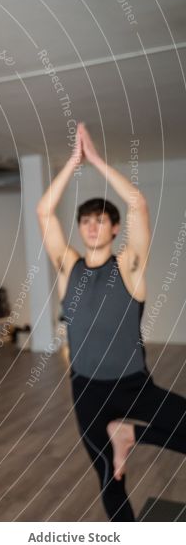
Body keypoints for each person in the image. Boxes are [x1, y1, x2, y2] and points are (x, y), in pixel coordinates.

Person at [37, 123, 186, 521]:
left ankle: (130, 434)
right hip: (86, 391)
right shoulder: (70, 268)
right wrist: (73, 162)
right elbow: (43, 211)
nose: (91, 225)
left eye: (101, 219)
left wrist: (97, 161)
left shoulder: (129, 266)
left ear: (115, 228)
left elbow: (137, 202)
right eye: (85, 219)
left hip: (133, 386)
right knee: (109, 478)